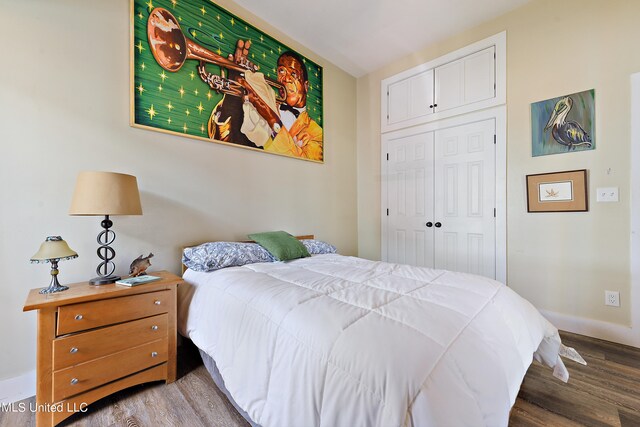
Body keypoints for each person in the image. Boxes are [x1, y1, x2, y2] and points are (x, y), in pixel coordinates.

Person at [202, 40, 323, 161]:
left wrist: (272, 119)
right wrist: (233, 96)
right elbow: (224, 143)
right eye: (281, 71)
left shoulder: (317, 133)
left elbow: (300, 164)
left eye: (293, 74)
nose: (285, 79)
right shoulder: (262, 102)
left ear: (306, 86)